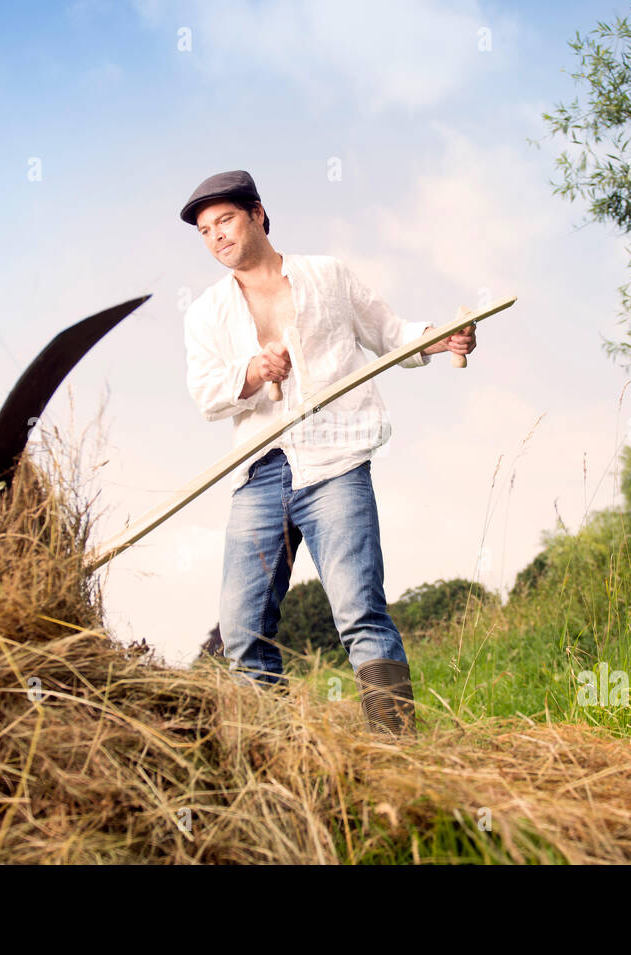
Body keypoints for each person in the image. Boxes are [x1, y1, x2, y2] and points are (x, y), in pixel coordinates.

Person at [179, 170, 476, 736]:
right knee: (243, 630)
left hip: (334, 463)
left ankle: (397, 747)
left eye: (225, 221)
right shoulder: (205, 314)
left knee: (360, 612)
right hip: (258, 472)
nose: (216, 236)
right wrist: (250, 371)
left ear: (258, 215)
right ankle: (274, 754)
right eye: (205, 230)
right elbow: (206, 395)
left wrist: (440, 338)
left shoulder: (327, 275)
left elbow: (390, 332)